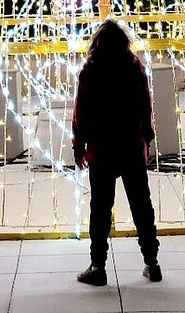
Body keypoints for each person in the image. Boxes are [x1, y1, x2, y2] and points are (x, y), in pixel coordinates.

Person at [72, 19, 161, 285]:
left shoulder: (91, 70)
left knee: (100, 209)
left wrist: (79, 146)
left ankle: (97, 266)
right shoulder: (135, 67)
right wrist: (147, 135)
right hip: (132, 147)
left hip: (102, 149)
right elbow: (145, 104)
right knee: (142, 207)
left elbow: (82, 111)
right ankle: (152, 262)